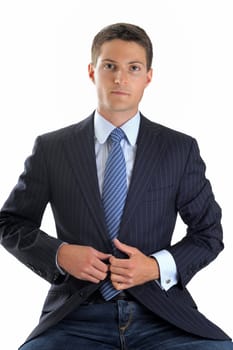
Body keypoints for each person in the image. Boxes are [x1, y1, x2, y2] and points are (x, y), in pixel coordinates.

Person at [0, 22, 232, 350]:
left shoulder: (179, 149)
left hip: (161, 314)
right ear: (92, 71)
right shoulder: (53, 149)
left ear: (148, 76)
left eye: (133, 68)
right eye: (110, 66)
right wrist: (60, 254)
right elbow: (10, 224)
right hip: (76, 315)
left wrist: (155, 266)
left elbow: (209, 234)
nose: (120, 78)